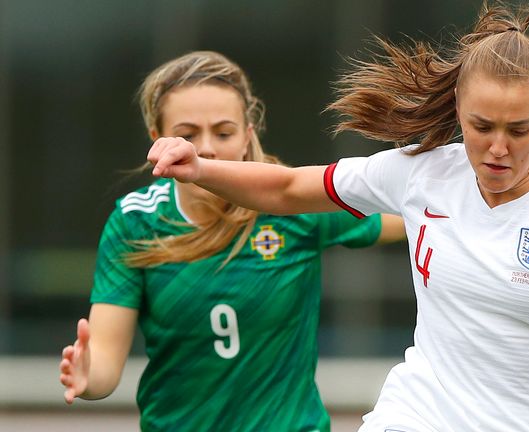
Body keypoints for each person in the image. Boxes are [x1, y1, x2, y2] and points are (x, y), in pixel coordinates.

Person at [146, 4, 529, 432]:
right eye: (481, 125)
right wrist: (200, 169)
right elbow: (292, 187)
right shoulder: (422, 173)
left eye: (519, 131)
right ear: (459, 107)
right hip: (414, 416)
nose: (497, 148)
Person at [59, 50, 404, 432]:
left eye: (223, 132)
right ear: (157, 139)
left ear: (247, 137)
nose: (205, 147)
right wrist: (88, 376)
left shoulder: (294, 203)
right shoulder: (135, 222)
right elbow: (105, 363)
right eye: (187, 134)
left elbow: (412, 217)